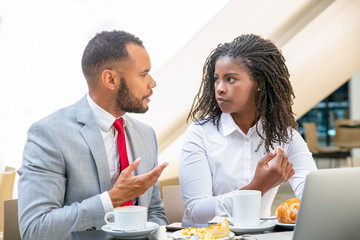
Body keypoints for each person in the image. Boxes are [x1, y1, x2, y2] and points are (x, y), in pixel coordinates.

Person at [18, 30, 169, 239]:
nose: (152, 83)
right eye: (143, 74)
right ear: (110, 79)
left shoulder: (146, 135)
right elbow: (35, 228)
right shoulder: (49, 134)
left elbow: (154, 214)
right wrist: (111, 199)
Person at [179, 34, 317, 226]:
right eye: (216, 79)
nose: (219, 88)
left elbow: (313, 194)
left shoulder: (285, 136)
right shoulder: (200, 133)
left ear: (259, 83)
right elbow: (196, 211)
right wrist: (257, 187)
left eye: (230, 79)